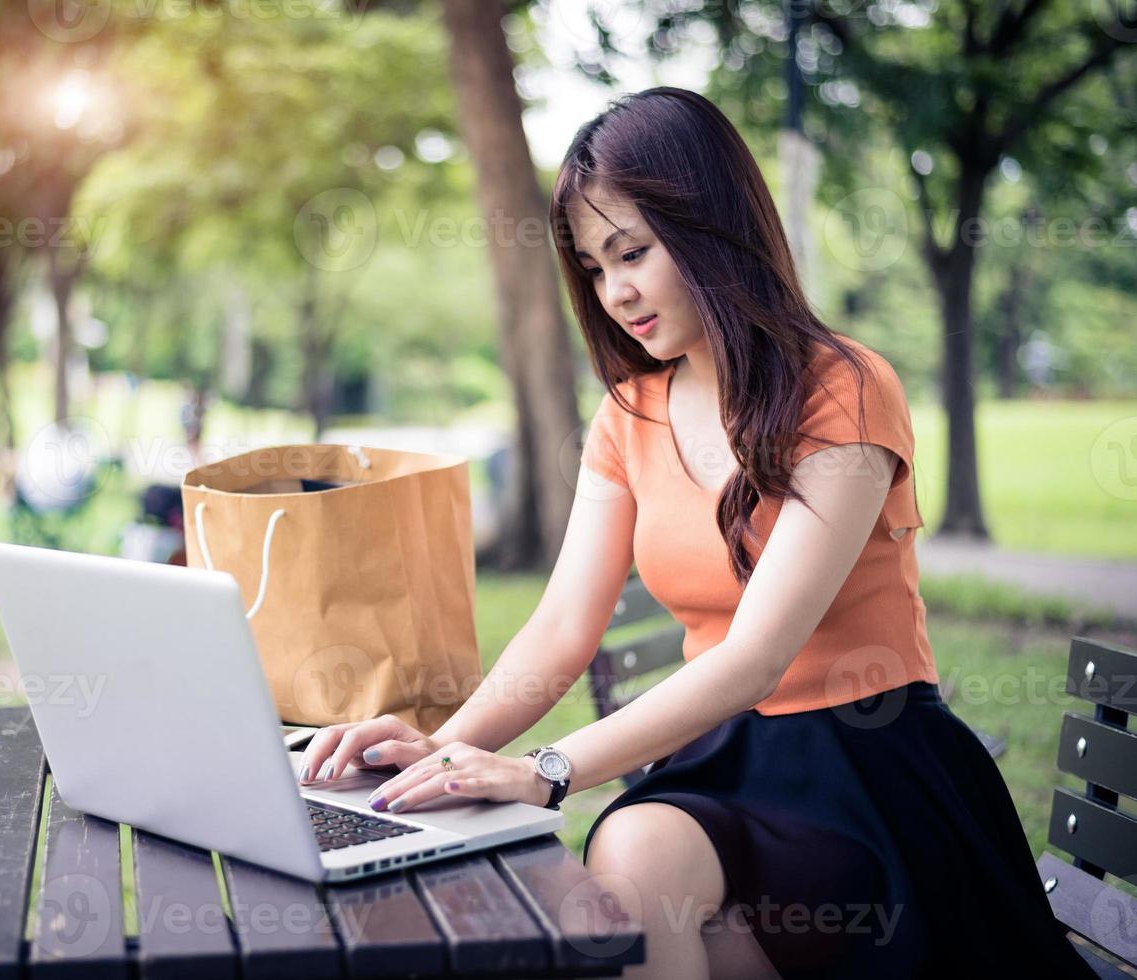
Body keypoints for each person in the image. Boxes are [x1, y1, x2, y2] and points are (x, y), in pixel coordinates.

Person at [296, 88, 1094, 979]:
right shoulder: (628, 414)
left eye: (633, 252)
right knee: (634, 869)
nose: (616, 293)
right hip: (721, 762)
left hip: (865, 770)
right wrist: (451, 748)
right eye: (595, 269)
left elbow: (757, 655)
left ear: (712, 227)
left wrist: (547, 769)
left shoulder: (846, 389)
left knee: (644, 897)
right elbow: (562, 629)